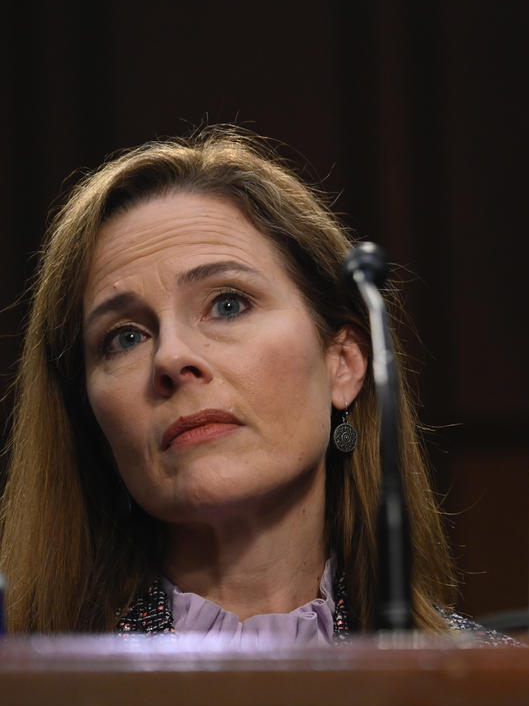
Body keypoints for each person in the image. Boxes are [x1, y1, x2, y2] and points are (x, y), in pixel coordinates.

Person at [0, 127, 495, 643]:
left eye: (228, 304)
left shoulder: (500, 689)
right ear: (91, 419)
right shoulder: (26, 692)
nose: (171, 357)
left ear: (343, 364)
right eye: (125, 337)